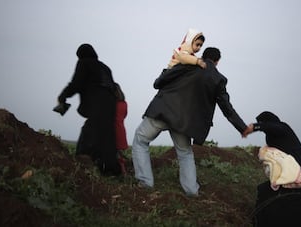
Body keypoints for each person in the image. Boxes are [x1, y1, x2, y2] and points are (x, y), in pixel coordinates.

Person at [132, 47, 250, 196]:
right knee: (185, 153)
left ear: (203, 56)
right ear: (217, 62)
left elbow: (159, 83)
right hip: (184, 122)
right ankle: (192, 191)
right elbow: (227, 108)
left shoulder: (186, 65)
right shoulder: (218, 79)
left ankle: (145, 183)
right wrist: (242, 128)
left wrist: (169, 67)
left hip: (163, 111)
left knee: (141, 140)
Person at [56, 43, 121, 176]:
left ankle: (81, 164)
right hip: (110, 104)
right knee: (107, 135)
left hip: (97, 102)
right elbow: (113, 87)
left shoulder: (84, 63)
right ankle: (110, 169)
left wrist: (63, 96)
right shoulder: (105, 67)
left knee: (89, 133)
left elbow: (76, 83)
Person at [245, 111, 301, 227]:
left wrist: (255, 127)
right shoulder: (272, 134)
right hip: (294, 172)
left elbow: (273, 127)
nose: (263, 128)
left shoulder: (283, 128)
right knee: (271, 193)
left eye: (262, 123)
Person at [114, 82, 129, 176]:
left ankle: (121, 174)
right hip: (121, 129)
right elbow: (124, 115)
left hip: (113, 129)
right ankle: (124, 173)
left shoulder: (112, 104)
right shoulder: (124, 103)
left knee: (114, 153)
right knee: (119, 154)